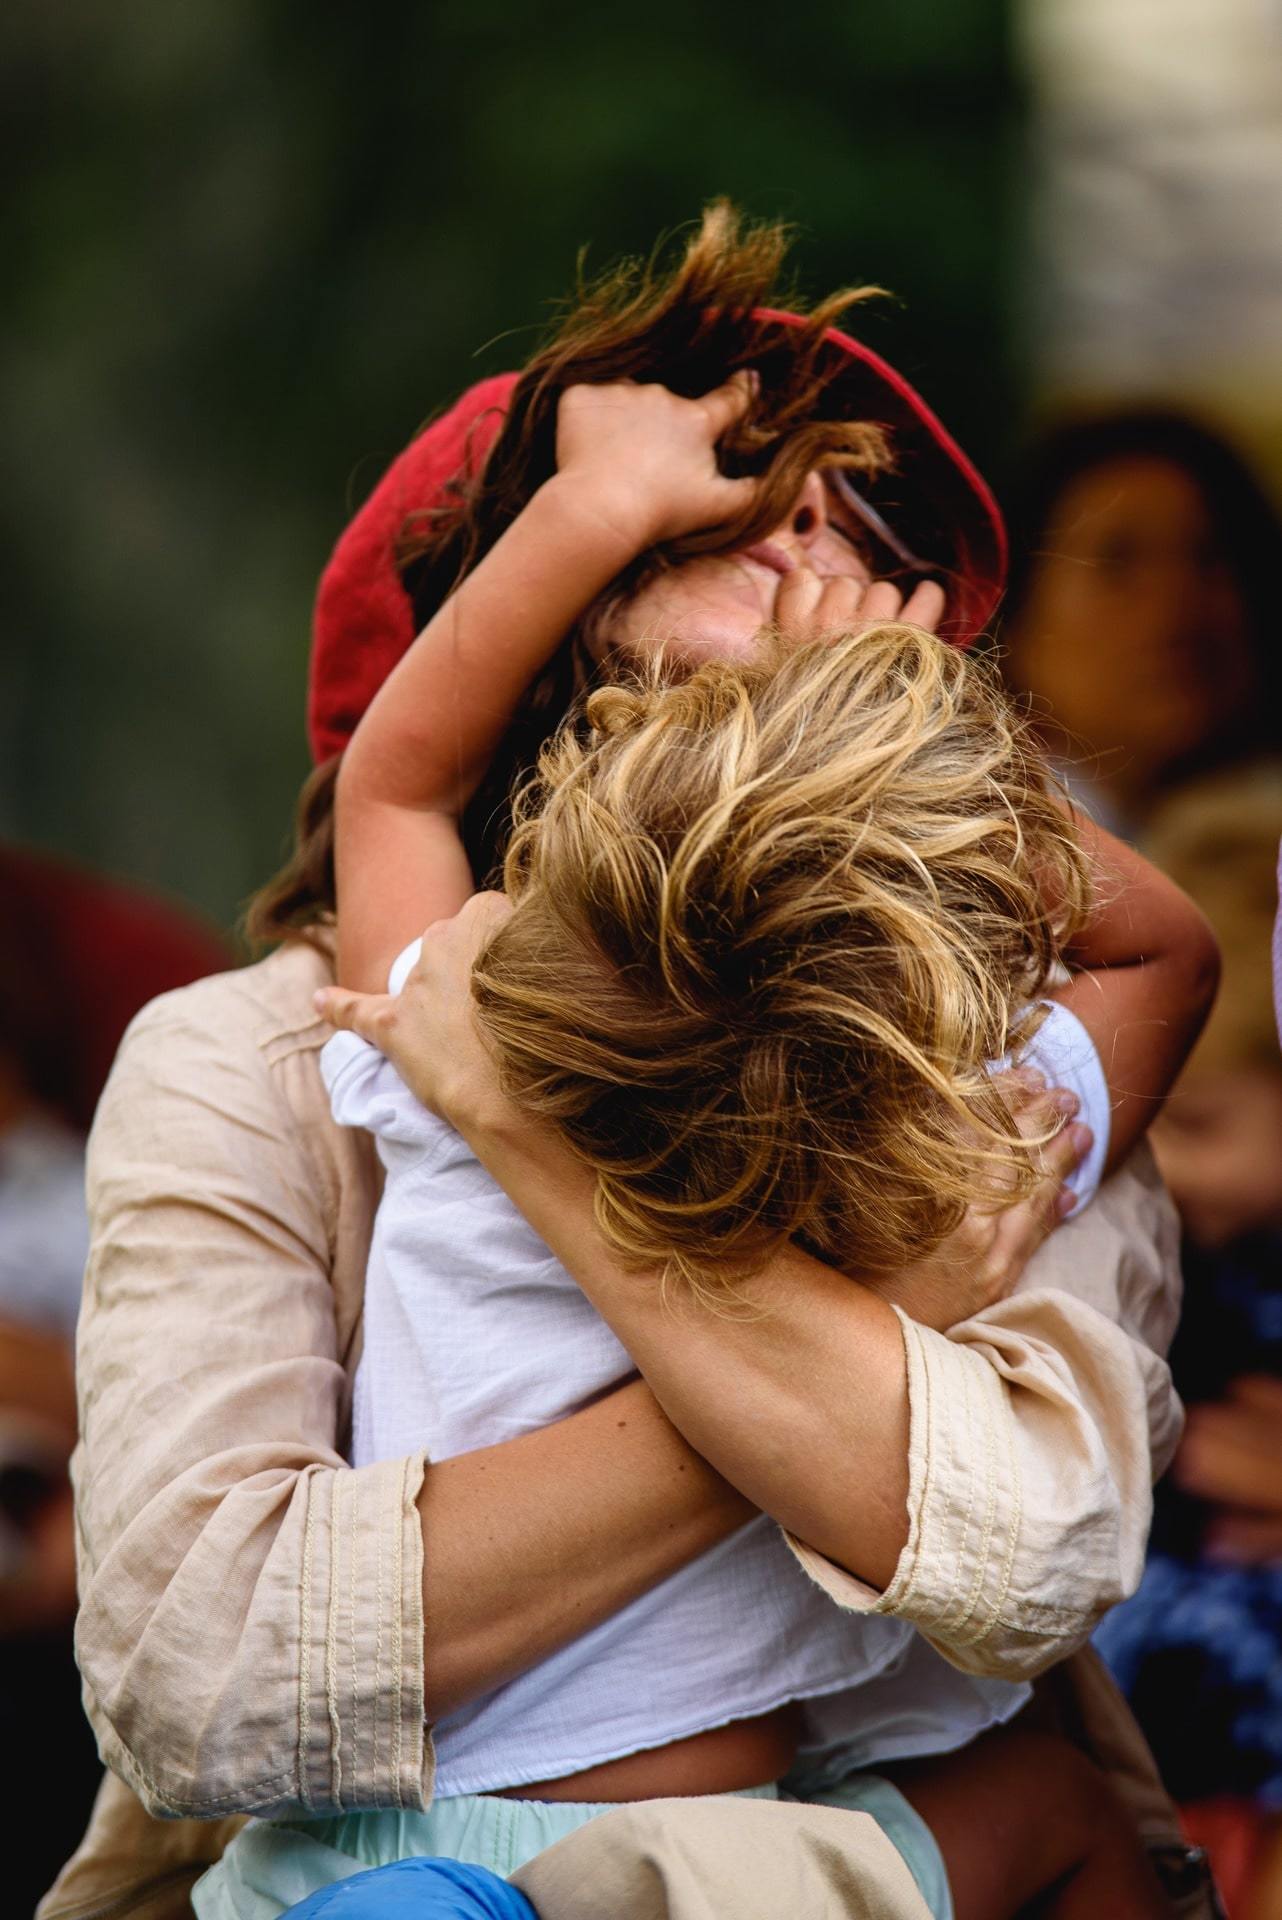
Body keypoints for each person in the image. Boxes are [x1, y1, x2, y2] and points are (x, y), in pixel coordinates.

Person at [44, 210, 1212, 1920]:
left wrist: (871, 747)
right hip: (405, 1868)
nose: (822, 567)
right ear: (532, 634)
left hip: (837, 1845)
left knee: (1068, 1819)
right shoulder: (353, 1022)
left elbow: (1020, 1544)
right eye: (744, 517)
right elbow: (202, 1674)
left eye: (866, 560)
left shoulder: (972, 1055)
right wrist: (868, 1326)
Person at [1001, 409, 1282, 842]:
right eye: (1117, 561)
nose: (1177, 598)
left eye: (1208, 556)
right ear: (1014, 620)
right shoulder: (975, 855)